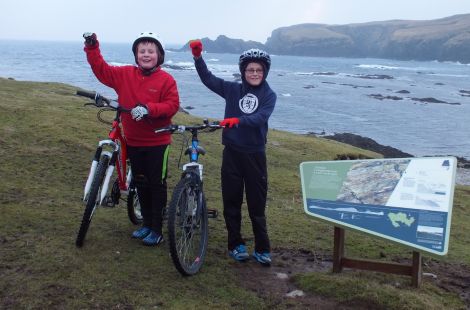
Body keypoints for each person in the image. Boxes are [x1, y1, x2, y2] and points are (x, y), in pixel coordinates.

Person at [83, 32, 180, 246]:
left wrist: (148, 109)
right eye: (142, 51)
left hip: (158, 143)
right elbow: (102, 70)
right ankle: (146, 224)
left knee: (156, 184)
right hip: (134, 141)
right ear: (136, 55)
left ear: (159, 55)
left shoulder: (166, 80)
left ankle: (157, 229)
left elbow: (172, 105)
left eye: (151, 51)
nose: (146, 55)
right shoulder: (125, 74)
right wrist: (92, 48)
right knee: (141, 183)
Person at [189, 40, 276, 266]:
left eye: (259, 70)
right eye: (250, 69)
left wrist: (236, 120)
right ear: (243, 71)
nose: (254, 73)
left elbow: (260, 118)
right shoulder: (232, 89)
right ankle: (235, 244)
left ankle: (262, 248)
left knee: (257, 205)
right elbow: (208, 79)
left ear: (264, 72)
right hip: (232, 155)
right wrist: (198, 58)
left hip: (255, 156)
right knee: (232, 202)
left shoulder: (269, 95)